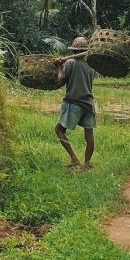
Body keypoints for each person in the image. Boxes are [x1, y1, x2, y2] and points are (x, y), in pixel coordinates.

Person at [54, 35, 96, 170]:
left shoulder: (70, 63)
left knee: (59, 130)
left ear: (73, 51)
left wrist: (59, 67)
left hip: (73, 102)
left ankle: (73, 157)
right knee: (89, 135)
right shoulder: (91, 66)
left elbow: (61, 81)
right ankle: (87, 164)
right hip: (88, 104)